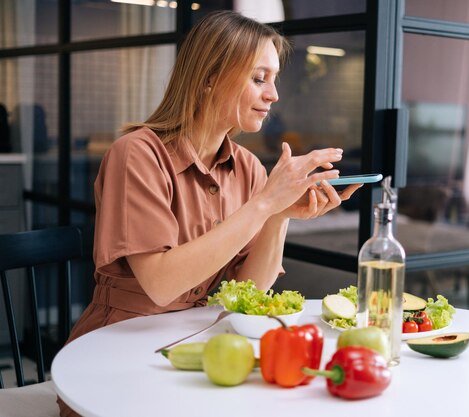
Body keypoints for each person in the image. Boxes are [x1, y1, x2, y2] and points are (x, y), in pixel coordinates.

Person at [58, 10, 361, 417]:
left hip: (204, 343)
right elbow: (161, 285)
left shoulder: (249, 167)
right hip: (118, 351)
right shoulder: (137, 155)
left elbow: (248, 291)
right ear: (209, 77)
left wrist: (279, 216)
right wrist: (264, 204)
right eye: (259, 78)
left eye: (274, 80)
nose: (273, 95)